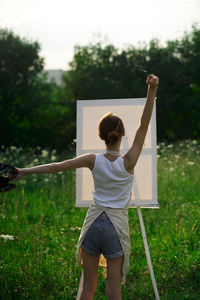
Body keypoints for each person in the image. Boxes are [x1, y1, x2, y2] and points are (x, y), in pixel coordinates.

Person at [13, 74, 159, 300]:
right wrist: (152, 89)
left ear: (101, 136)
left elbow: (56, 167)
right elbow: (144, 123)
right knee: (113, 292)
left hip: (92, 224)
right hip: (115, 228)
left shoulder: (93, 159)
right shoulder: (129, 161)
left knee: (87, 289)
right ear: (122, 135)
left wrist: (23, 171)